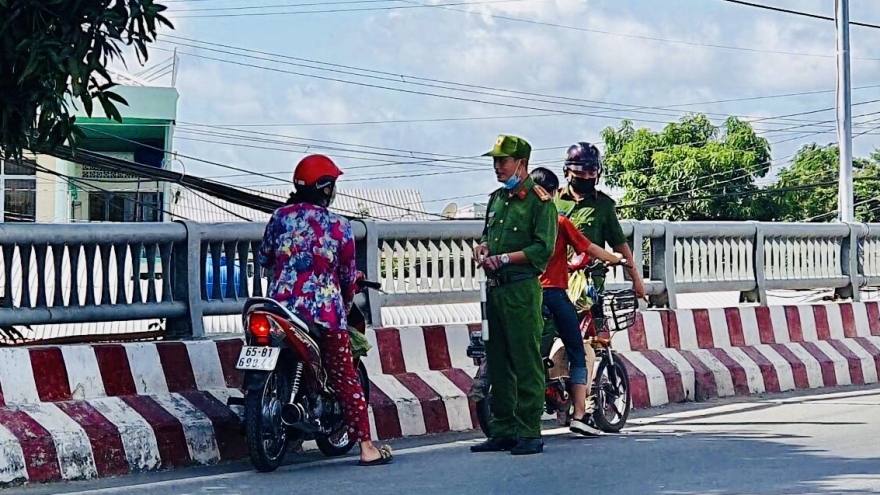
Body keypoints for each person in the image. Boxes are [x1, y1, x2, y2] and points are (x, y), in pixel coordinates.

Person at [259, 154, 393, 467]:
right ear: (326, 188)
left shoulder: (279, 217)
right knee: (346, 376)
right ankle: (367, 448)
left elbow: (265, 257)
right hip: (323, 313)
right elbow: (347, 277)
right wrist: (346, 301)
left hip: (278, 307)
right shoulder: (339, 226)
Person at [470, 134, 557, 456]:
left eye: (503, 160)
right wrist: (484, 248)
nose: (497, 166)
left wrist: (506, 258)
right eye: (495, 160)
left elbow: (542, 249)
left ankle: (529, 430)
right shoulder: (496, 199)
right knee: (496, 360)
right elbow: (487, 236)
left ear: (521, 163)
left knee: (525, 360)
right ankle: (502, 429)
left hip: (521, 289)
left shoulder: (539, 202)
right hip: (494, 291)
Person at [529, 167, 621, 437]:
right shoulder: (558, 222)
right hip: (554, 294)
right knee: (577, 351)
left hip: (524, 294)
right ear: (555, 193)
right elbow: (590, 248)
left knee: (532, 351)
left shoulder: (520, 223)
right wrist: (616, 260)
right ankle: (580, 415)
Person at [555, 142, 646, 300]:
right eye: (580, 173)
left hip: (589, 282)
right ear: (567, 172)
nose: (586, 177)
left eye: (591, 173)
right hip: (555, 280)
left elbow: (619, 244)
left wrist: (636, 280)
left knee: (591, 323)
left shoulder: (604, 205)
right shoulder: (553, 201)